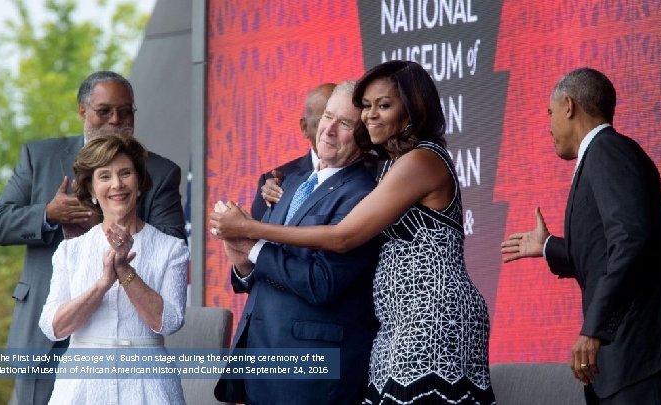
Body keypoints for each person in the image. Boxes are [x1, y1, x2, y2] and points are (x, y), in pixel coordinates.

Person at [211, 61, 495, 404]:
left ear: (413, 109)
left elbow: (343, 237)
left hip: (432, 319)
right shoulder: (388, 165)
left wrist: (249, 230)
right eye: (366, 107)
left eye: (384, 105)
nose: (370, 116)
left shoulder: (421, 160)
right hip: (399, 323)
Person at [500, 67, 661, 404]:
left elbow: (631, 240)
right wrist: (549, 247)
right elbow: (606, 251)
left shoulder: (607, 151)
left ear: (569, 105)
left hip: (647, 362)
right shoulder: (604, 154)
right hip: (643, 365)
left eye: (550, 113)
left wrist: (594, 328)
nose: (548, 127)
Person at [0, 70, 186, 404]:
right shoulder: (40, 157)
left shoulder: (158, 170)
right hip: (45, 327)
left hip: (130, 332)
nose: (116, 120)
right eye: (104, 111)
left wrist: (107, 222)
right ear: (83, 111)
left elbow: (169, 241)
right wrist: (48, 214)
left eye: (125, 111)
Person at [212, 81, 380, 405]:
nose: (328, 130)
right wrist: (238, 255)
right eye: (328, 116)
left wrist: (253, 246)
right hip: (261, 363)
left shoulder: (363, 194)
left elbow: (322, 282)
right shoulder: (294, 182)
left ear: (364, 136)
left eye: (344, 123)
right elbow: (263, 273)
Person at [38, 133, 189, 404]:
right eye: (104, 176)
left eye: (125, 173)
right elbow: (54, 327)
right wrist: (103, 283)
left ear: (140, 183)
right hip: (81, 387)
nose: (117, 184)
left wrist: (125, 272)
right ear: (92, 190)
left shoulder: (171, 249)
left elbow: (168, 322)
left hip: (148, 386)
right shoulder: (70, 251)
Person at [250, 83, 336, 220]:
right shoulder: (275, 183)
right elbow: (256, 239)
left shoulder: (376, 171)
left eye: (344, 122)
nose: (333, 130)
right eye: (324, 121)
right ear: (304, 127)